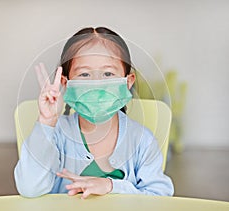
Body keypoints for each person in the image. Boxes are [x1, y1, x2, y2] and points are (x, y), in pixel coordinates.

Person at [14, 27, 174, 199]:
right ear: (65, 83)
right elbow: (29, 188)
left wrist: (111, 186)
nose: (97, 85)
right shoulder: (57, 134)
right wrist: (46, 122)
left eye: (108, 73)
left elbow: (160, 197)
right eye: (84, 74)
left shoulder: (143, 141)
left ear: (128, 81)